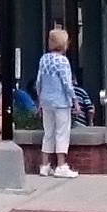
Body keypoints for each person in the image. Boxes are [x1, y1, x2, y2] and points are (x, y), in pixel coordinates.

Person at [37, 26, 85, 179]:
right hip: (61, 102)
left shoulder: (44, 59)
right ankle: (61, 165)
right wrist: (75, 101)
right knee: (62, 133)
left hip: (46, 100)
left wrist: (39, 100)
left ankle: (45, 165)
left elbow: (39, 81)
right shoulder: (63, 61)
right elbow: (67, 83)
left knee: (48, 132)